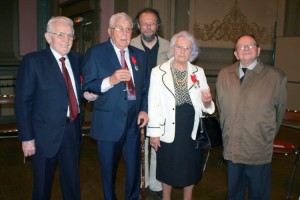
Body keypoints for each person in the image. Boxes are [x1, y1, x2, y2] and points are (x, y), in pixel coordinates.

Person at [15, 16, 96, 200]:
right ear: (48, 37)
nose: (66, 39)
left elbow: (77, 88)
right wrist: (27, 138)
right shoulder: (33, 61)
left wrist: (87, 94)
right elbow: (22, 102)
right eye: (60, 34)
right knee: (42, 187)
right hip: (43, 134)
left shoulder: (77, 59)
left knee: (72, 183)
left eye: (70, 35)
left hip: (72, 131)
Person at [82, 12, 149, 200]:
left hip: (133, 124)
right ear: (110, 31)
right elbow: (87, 85)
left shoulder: (140, 56)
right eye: (120, 29)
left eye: (128, 29)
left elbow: (145, 86)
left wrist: (144, 109)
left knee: (134, 171)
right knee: (109, 172)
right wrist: (110, 80)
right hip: (108, 123)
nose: (125, 33)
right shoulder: (96, 53)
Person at [216, 34, 287, 200]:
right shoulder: (224, 75)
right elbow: (222, 108)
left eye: (250, 45)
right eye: (241, 46)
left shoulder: (275, 77)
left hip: (258, 147)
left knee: (259, 193)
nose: (246, 48)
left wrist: (264, 133)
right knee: (234, 192)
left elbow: (280, 112)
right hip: (232, 145)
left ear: (259, 50)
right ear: (235, 54)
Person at [147, 31, 215, 200]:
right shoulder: (158, 72)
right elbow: (153, 103)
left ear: (192, 52)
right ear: (172, 48)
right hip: (167, 127)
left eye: (187, 48)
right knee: (167, 166)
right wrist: (154, 133)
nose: (183, 51)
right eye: (179, 47)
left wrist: (207, 101)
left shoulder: (199, 71)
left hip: (191, 127)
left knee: (190, 167)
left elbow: (207, 107)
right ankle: (166, 198)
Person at [131, 7, 170, 198]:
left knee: (157, 144)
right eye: (144, 23)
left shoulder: (169, 47)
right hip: (137, 104)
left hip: (161, 104)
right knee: (139, 145)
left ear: (158, 26)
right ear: (138, 26)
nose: (148, 26)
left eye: (152, 23)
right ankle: (140, 181)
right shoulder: (128, 45)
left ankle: (155, 183)